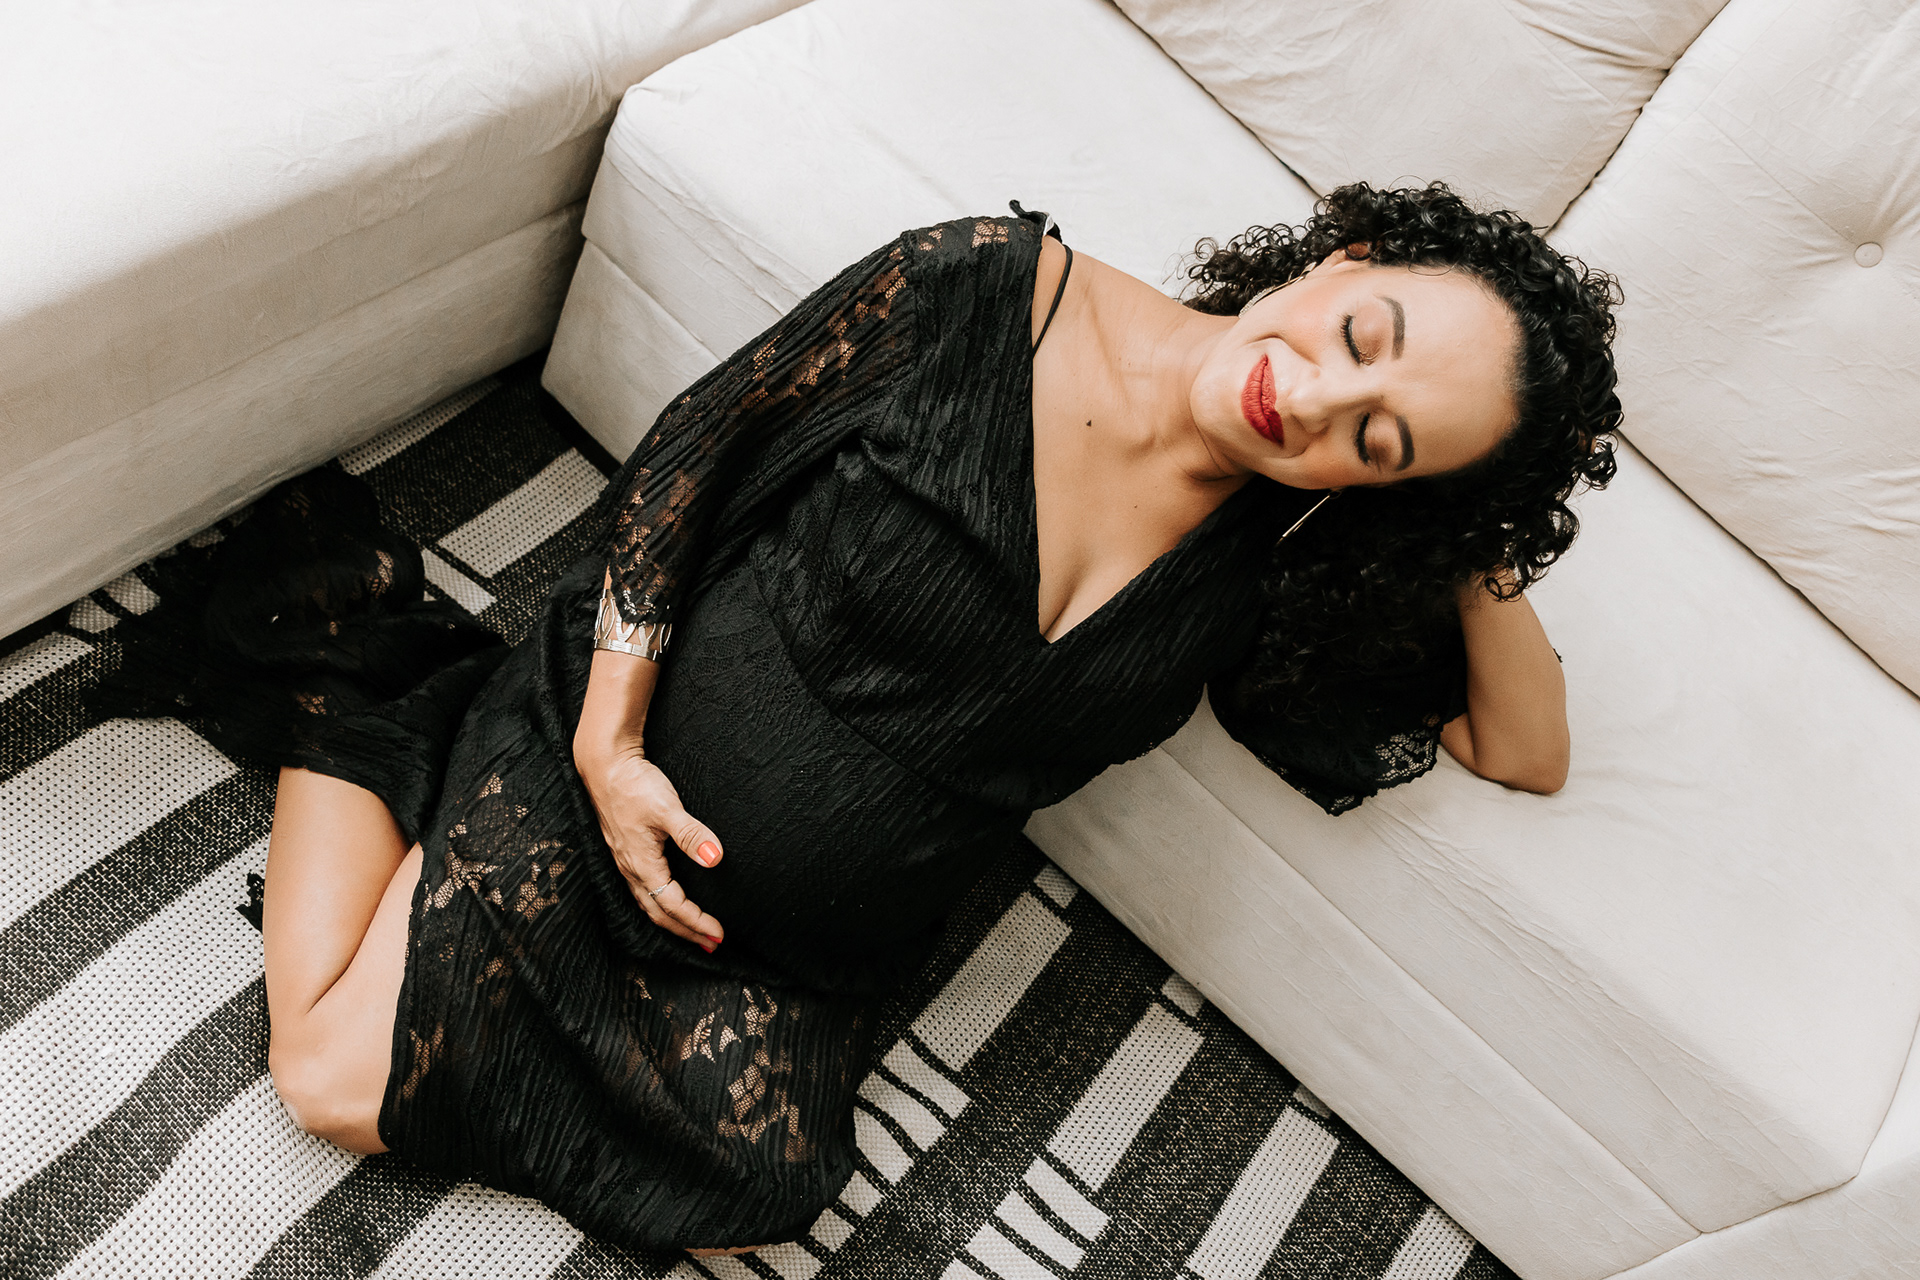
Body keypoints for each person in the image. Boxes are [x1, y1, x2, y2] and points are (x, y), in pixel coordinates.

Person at [103, 182, 1620, 1258]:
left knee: (766, 1181)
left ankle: (443, 826)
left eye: (1381, 437)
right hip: (611, 758)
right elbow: (693, 461)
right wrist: (609, 748)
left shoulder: (1278, 558)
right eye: (1365, 333)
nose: (1322, 400)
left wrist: (1466, 529)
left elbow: (1525, 751)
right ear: (1339, 255)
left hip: (789, 950)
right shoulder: (989, 290)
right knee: (328, 1078)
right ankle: (386, 718)